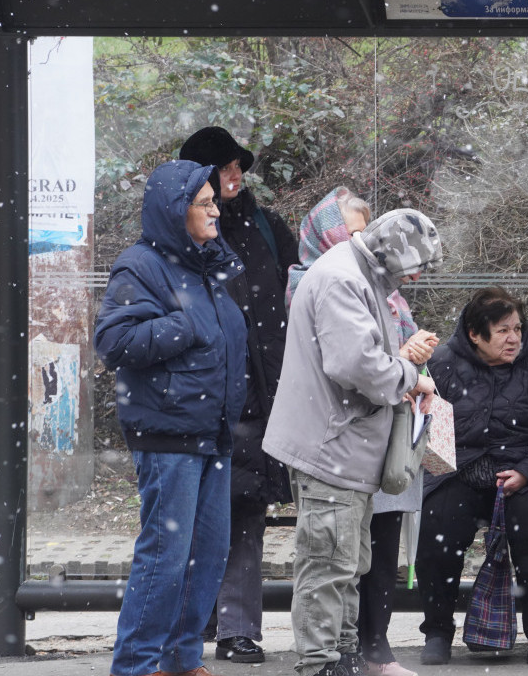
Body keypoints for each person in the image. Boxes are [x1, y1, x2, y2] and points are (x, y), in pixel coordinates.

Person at [263, 208, 442, 676]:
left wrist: (406, 378)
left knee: (347, 562)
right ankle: (322, 663)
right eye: (414, 266)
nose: (416, 275)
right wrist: (407, 374)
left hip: (341, 448)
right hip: (331, 450)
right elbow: (357, 366)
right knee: (328, 566)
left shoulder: (354, 272)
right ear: (393, 255)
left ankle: (340, 656)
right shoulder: (344, 280)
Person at [95, 159, 248, 676]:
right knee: (165, 555)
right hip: (167, 434)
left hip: (212, 431)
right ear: (174, 209)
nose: (215, 211)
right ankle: (136, 665)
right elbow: (114, 342)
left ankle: (180, 661)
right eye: (204, 203)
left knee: (208, 553)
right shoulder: (140, 264)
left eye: (214, 202)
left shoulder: (207, 263)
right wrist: (183, 325)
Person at [178, 126, 298, 665]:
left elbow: (295, 296)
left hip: (261, 388)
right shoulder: (179, 231)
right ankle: (196, 619)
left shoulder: (267, 226)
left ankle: (237, 628)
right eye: (225, 167)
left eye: (238, 167)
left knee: (245, 507)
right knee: (192, 510)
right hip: (200, 394)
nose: (235, 176)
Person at [417, 287, 528, 667]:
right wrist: (451, 470)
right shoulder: (441, 363)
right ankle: (438, 631)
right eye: (503, 330)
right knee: (439, 521)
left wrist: (526, 470)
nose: (514, 339)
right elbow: (428, 428)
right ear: (476, 333)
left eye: (518, 329)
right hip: (460, 471)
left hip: (527, 471)